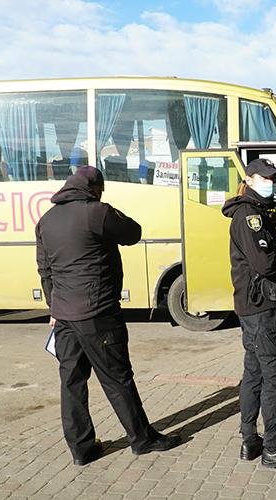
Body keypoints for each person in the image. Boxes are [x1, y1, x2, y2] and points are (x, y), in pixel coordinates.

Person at [35, 166, 180, 466]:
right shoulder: (96, 212)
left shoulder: (46, 221)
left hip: (63, 316)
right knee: (117, 379)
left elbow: (45, 271)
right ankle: (142, 439)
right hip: (98, 313)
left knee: (72, 382)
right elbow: (133, 233)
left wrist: (53, 308)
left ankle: (82, 449)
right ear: (94, 188)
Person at [221, 158, 276, 470]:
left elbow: (265, 255)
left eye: (274, 177)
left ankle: (250, 439)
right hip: (261, 307)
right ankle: (272, 446)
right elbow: (267, 264)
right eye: (265, 177)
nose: (271, 182)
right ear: (249, 178)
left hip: (254, 305)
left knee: (255, 373)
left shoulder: (255, 211)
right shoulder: (249, 216)